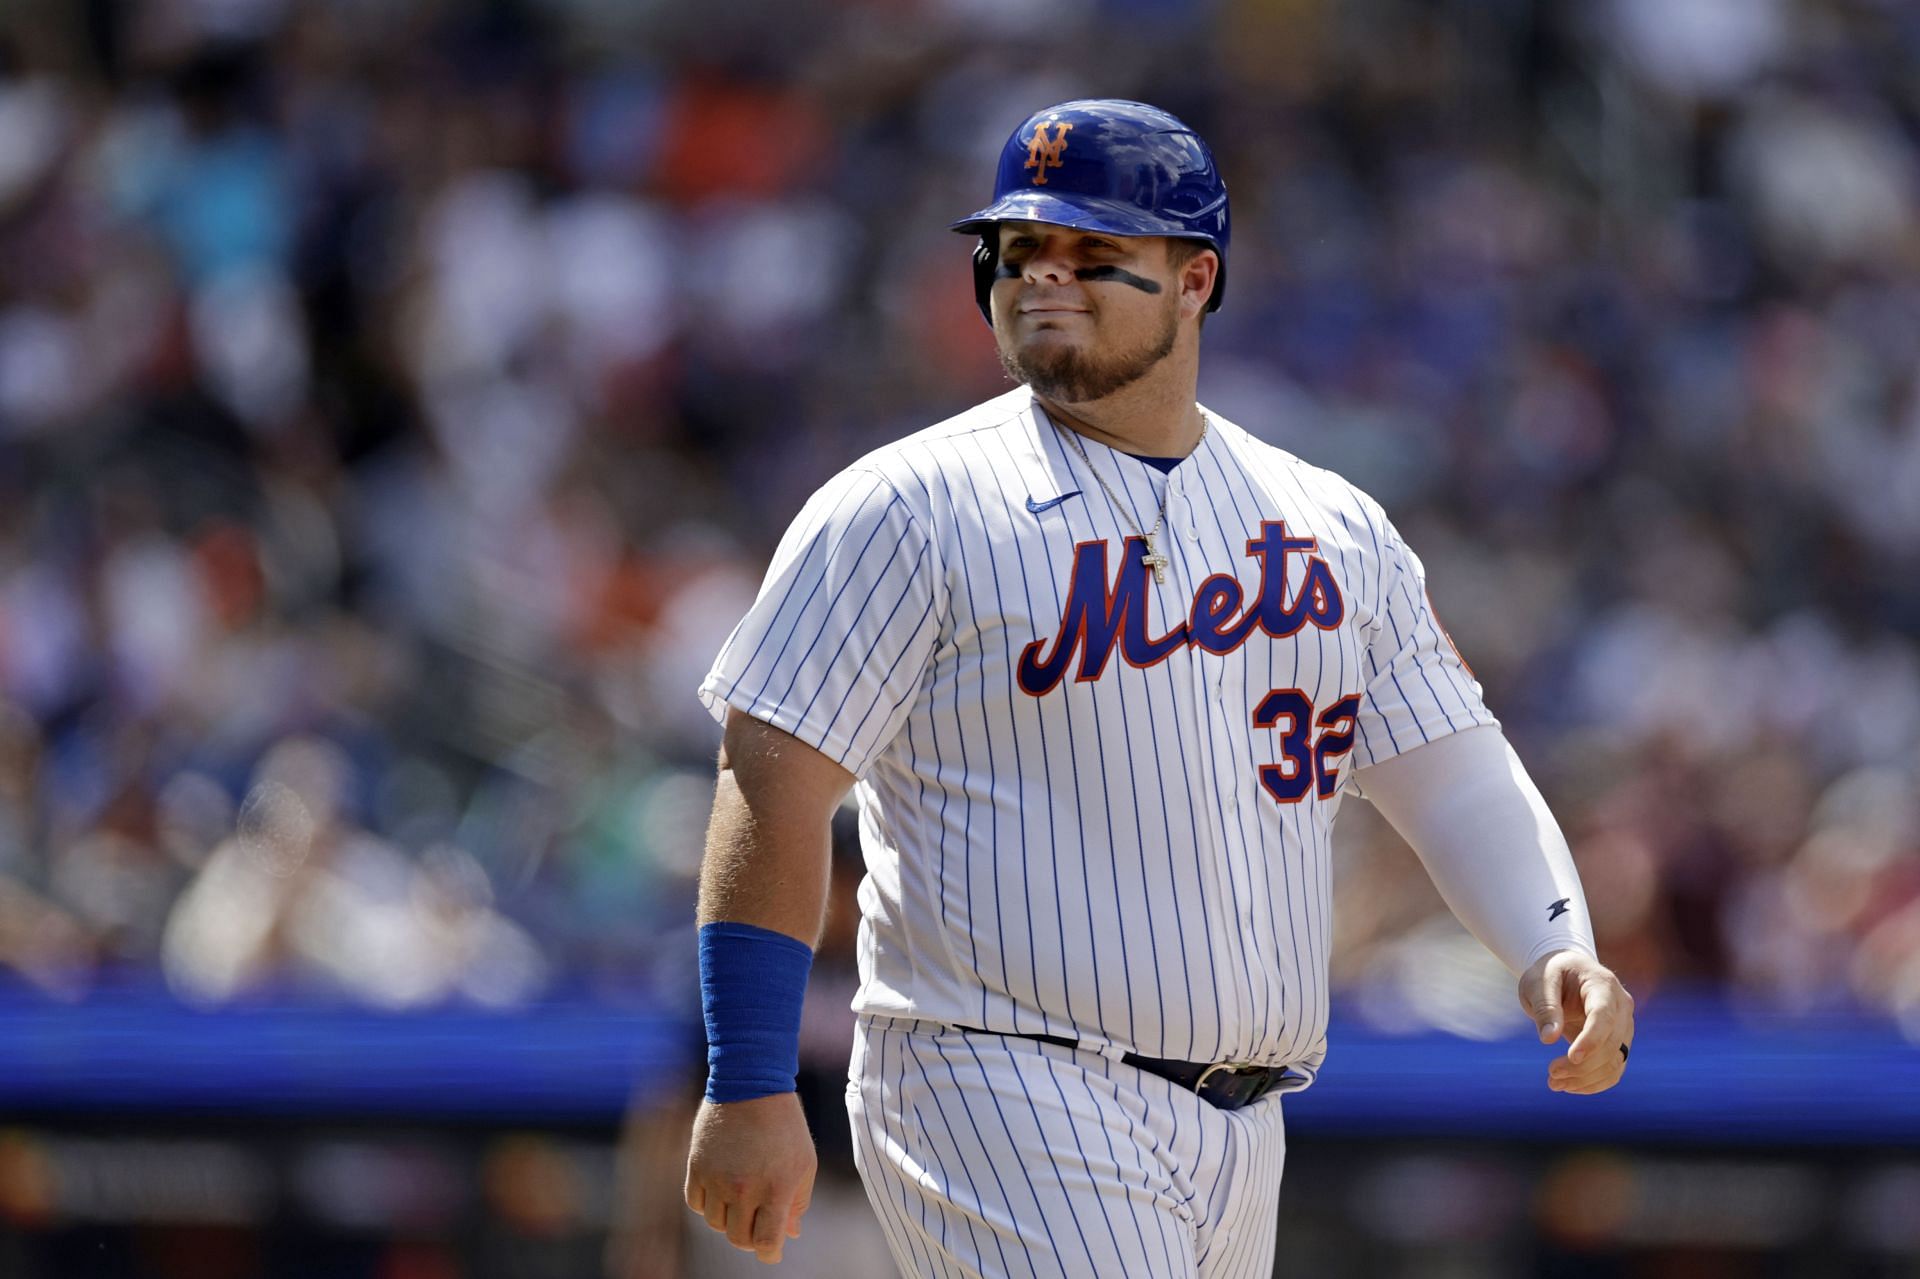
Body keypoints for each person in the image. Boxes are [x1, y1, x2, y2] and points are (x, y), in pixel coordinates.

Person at [682, 99, 1635, 1276]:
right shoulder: (905, 507)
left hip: (1244, 1118)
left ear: (1197, 279)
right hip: (997, 1076)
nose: (1045, 280)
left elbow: (1449, 768)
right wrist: (750, 1079)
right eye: (1020, 252)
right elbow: (770, 786)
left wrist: (1556, 944)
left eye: (1096, 256)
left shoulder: (1328, 523)